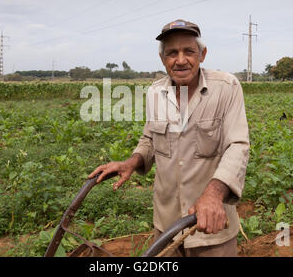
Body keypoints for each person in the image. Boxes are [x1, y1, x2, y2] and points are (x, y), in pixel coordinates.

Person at [88, 19, 250, 257]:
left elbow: (238, 145)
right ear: (163, 59)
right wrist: (131, 162)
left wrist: (214, 195)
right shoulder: (155, 92)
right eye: (172, 53)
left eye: (189, 51)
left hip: (211, 228)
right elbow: (150, 140)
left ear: (202, 54)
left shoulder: (226, 87)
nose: (181, 60)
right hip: (166, 227)